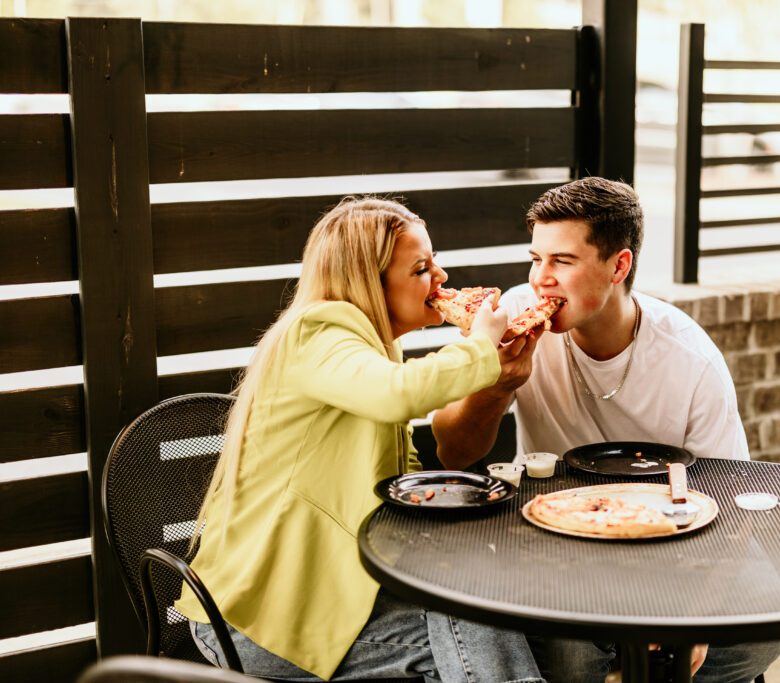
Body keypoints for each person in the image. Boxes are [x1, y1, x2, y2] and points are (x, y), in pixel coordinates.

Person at [175, 198, 545, 683]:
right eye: (421, 267)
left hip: (330, 592)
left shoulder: (372, 345)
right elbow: (398, 395)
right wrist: (480, 348)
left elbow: (401, 477)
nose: (441, 274)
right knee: (473, 626)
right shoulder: (318, 331)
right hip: (257, 622)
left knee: (479, 602)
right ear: (369, 280)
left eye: (433, 261)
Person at [431, 177, 780, 683]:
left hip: (669, 537)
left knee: (759, 633)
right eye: (537, 258)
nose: (541, 280)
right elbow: (453, 451)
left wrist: (699, 611)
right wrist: (497, 384)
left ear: (618, 266)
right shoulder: (508, 322)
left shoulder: (690, 358)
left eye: (563, 262)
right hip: (553, 532)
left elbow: (727, 495)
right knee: (571, 654)